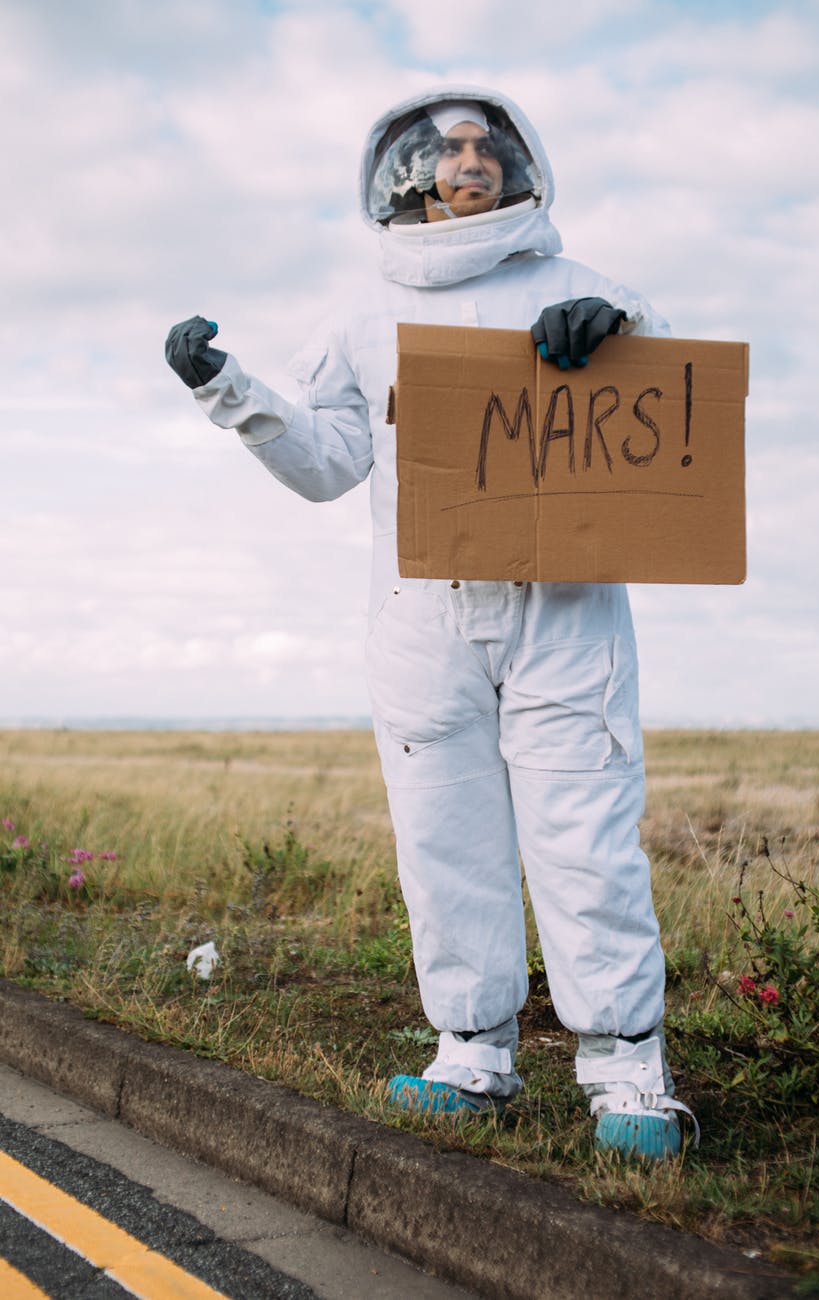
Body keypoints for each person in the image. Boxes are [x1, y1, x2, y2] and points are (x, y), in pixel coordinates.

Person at [165, 86, 697, 1161]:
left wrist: (621, 335)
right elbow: (326, 462)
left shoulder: (585, 284)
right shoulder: (364, 312)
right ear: (406, 171)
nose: (472, 159)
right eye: (448, 147)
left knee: (584, 832)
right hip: (420, 614)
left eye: (487, 143)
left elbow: (675, 394)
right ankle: (472, 1048)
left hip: (564, 605)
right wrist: (227, 387)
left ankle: (630, 1069)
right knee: (444, 832)